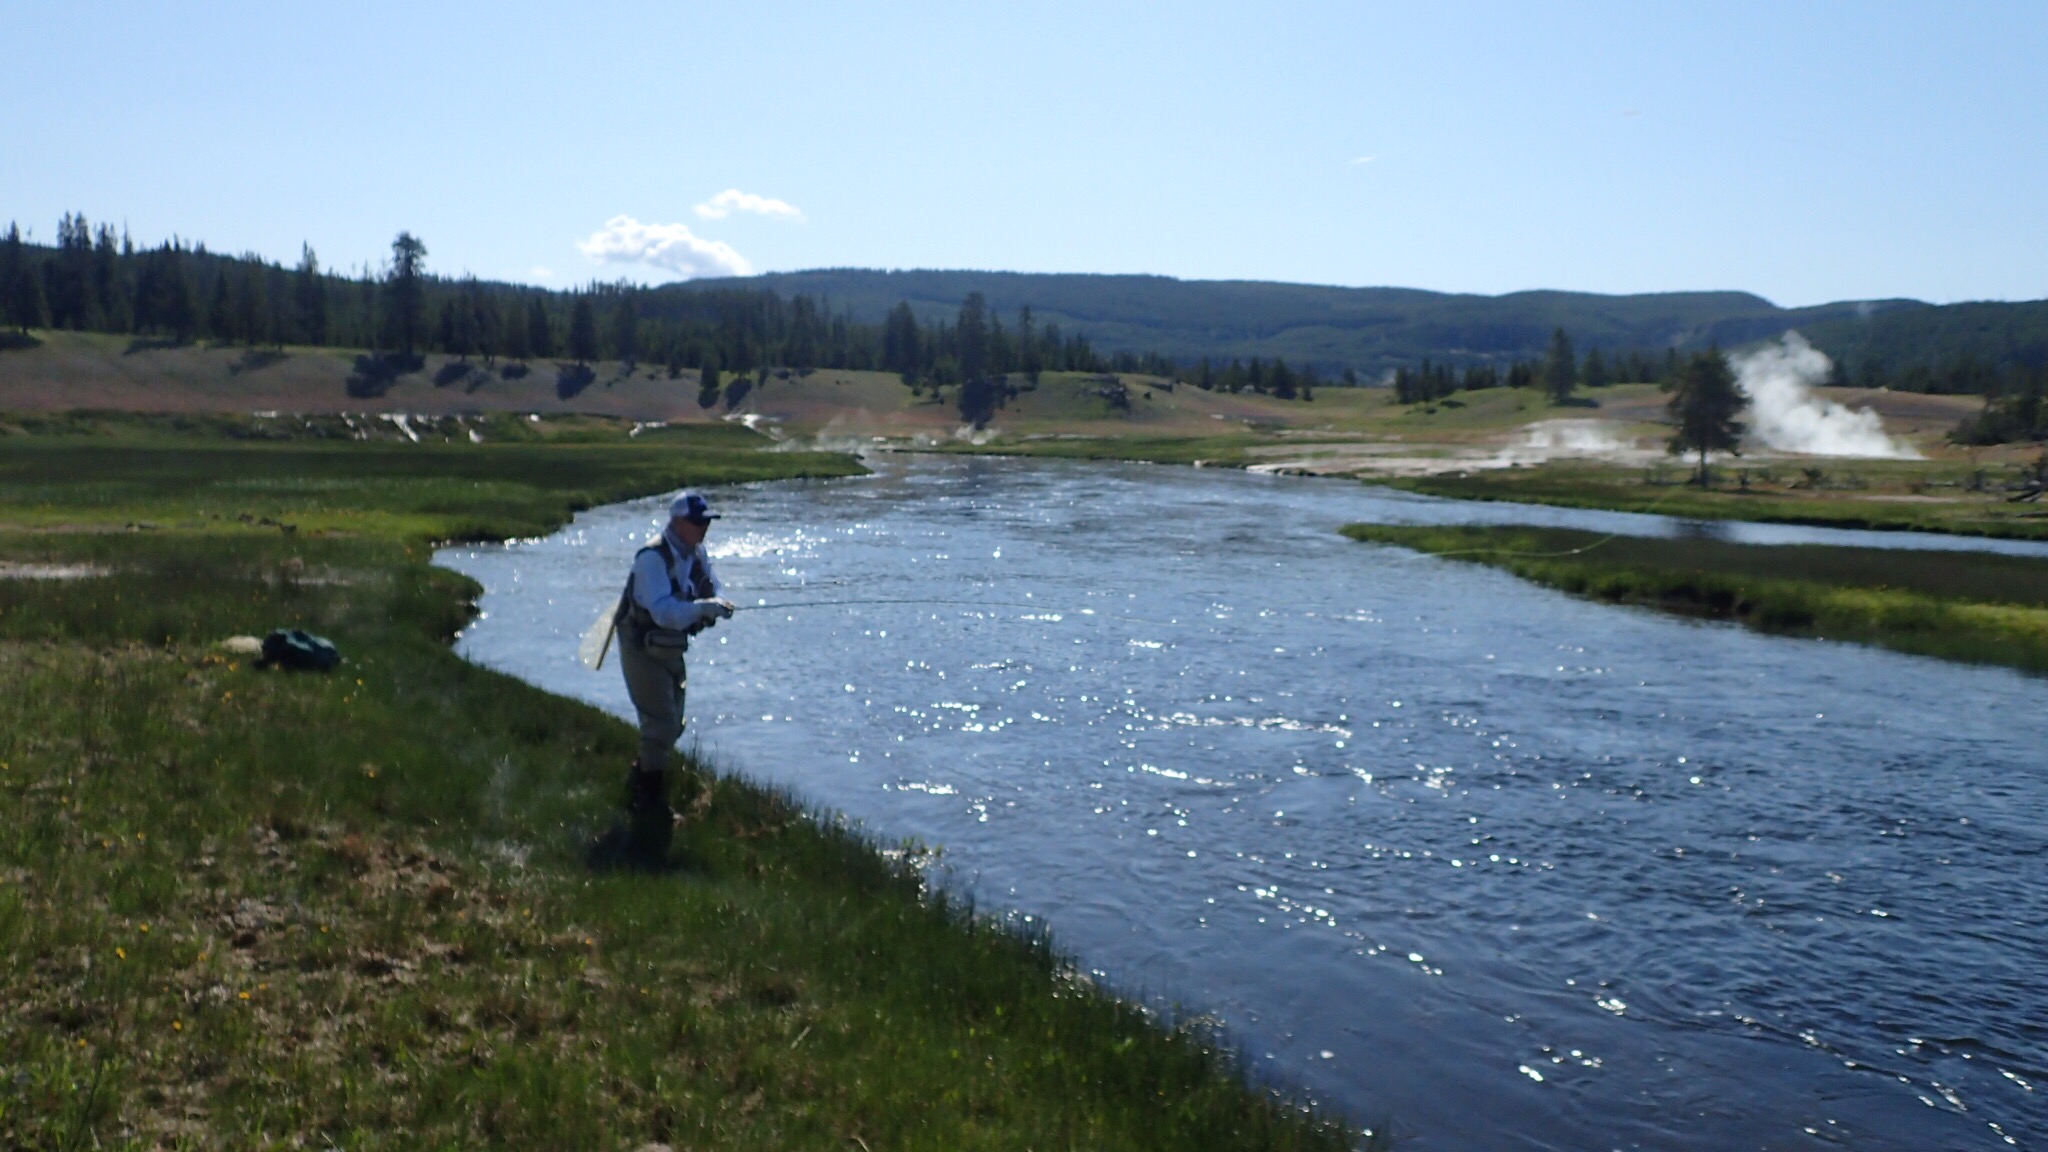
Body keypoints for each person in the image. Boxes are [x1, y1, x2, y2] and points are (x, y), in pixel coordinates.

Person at [606, 490, 735, 868]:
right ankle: (649, 800)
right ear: (678, 522)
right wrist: (703, 610)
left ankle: (642, 778)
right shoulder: (651, 558)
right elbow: (662, 612)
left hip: (668, 646)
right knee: (660, 721)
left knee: (673, 721)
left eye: (708, 521)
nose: (705, 528)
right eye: (699, 522)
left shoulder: (695, 554)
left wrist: (716, 605)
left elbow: (713, 585)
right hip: (640, 645)